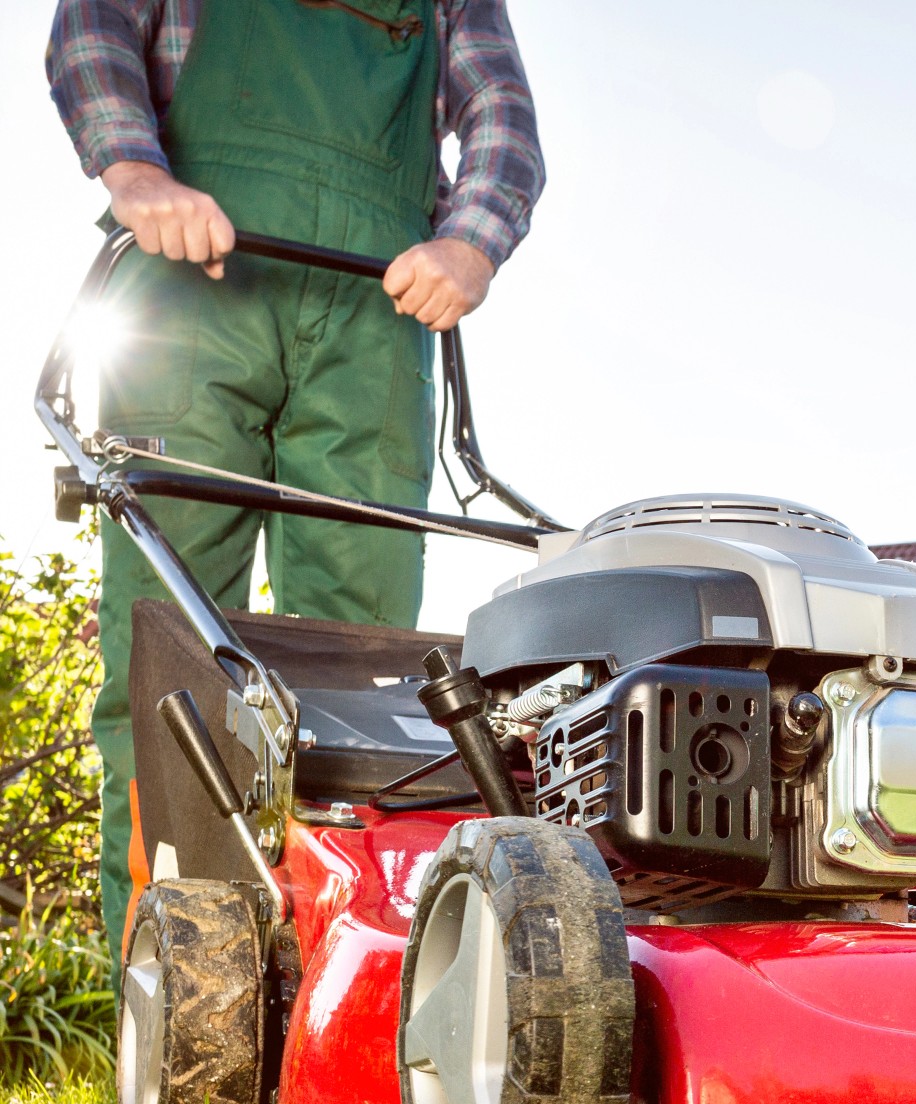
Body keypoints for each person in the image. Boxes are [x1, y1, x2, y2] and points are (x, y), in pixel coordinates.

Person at [46, 0, 545, 984]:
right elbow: (92, 27)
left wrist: (469, 244)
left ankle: (338, 994)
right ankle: (173, 1004)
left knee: (366, 677)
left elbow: (503, 118)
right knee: (167, 663)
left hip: (375, 312)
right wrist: (139, 175)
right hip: (185, 294)